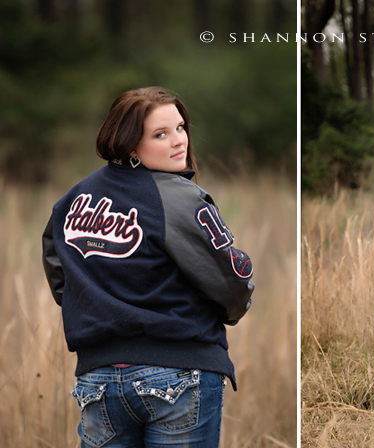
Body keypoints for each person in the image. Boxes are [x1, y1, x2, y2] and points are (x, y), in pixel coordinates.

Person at [42, 87, 254, 447]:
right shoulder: (178, 197)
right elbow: (231, 286)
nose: (179, 141)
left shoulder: (74, 200)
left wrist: (104, 309)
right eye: (160, 134)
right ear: (129, 146)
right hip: (179, 372)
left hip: (99, 380)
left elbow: (62, 280)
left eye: (181, 128)